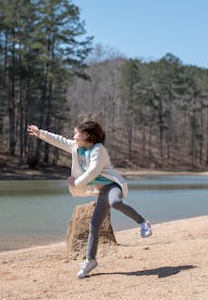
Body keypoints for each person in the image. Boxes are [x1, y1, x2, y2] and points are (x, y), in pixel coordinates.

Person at [27, 119, 152, 279]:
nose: (74, 136)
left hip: (112, 186)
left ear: (85, 135)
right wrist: (41, 134)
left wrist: (75, 183)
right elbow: (60, 141)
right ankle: (90, 261)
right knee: (94, 226)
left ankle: (142, 222)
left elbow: (92, 172)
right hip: (101, 192)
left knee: (115, 202)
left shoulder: (99, 150)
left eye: (76, 133)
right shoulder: (77, 148)